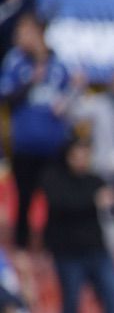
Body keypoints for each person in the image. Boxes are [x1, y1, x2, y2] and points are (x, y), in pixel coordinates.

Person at [1, 13, 78, 251]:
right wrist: (30, 81)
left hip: (54, 144)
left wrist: (70, 99)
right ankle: (22, 248)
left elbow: (72, 100)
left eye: (24, 32)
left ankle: (55, 247)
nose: (19, 37)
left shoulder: (60, 64)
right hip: (25, 145)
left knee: (57, 198)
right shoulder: (15, 61)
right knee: (24, 198)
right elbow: (6, 96)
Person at [43, 139, 114, 313]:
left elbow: (111, 210)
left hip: (97, 251)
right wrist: (93, 201)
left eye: (86, 154)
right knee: (71, 304)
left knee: (113, 295)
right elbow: (61, 204)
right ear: (68, 156)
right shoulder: (54, 178)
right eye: (78, 154)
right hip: (68, 253)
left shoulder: (95, 180)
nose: (82, 160)